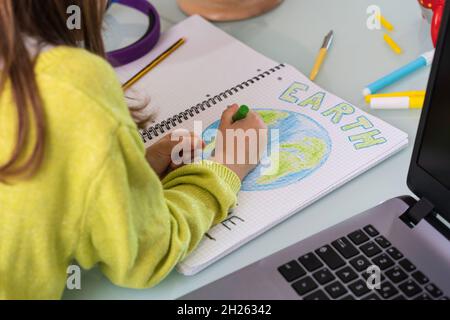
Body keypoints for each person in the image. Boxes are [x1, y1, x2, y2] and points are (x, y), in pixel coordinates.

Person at [0, 0, 267, 299]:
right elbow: (145, 256)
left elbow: (42, 202)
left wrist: (127, 172)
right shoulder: (71, 87)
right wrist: (228, 164)